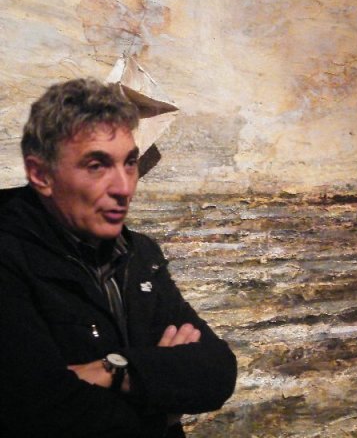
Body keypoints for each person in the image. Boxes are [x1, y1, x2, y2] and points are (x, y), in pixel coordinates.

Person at [0, 78, 237, 437]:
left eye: (130, 163)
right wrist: (160, 407)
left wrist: (113, 370)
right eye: (97, 165)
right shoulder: (10, 258)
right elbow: (41, 412)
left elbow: (218, 372)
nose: (124, 187)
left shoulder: (139, 253)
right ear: (41, 174)